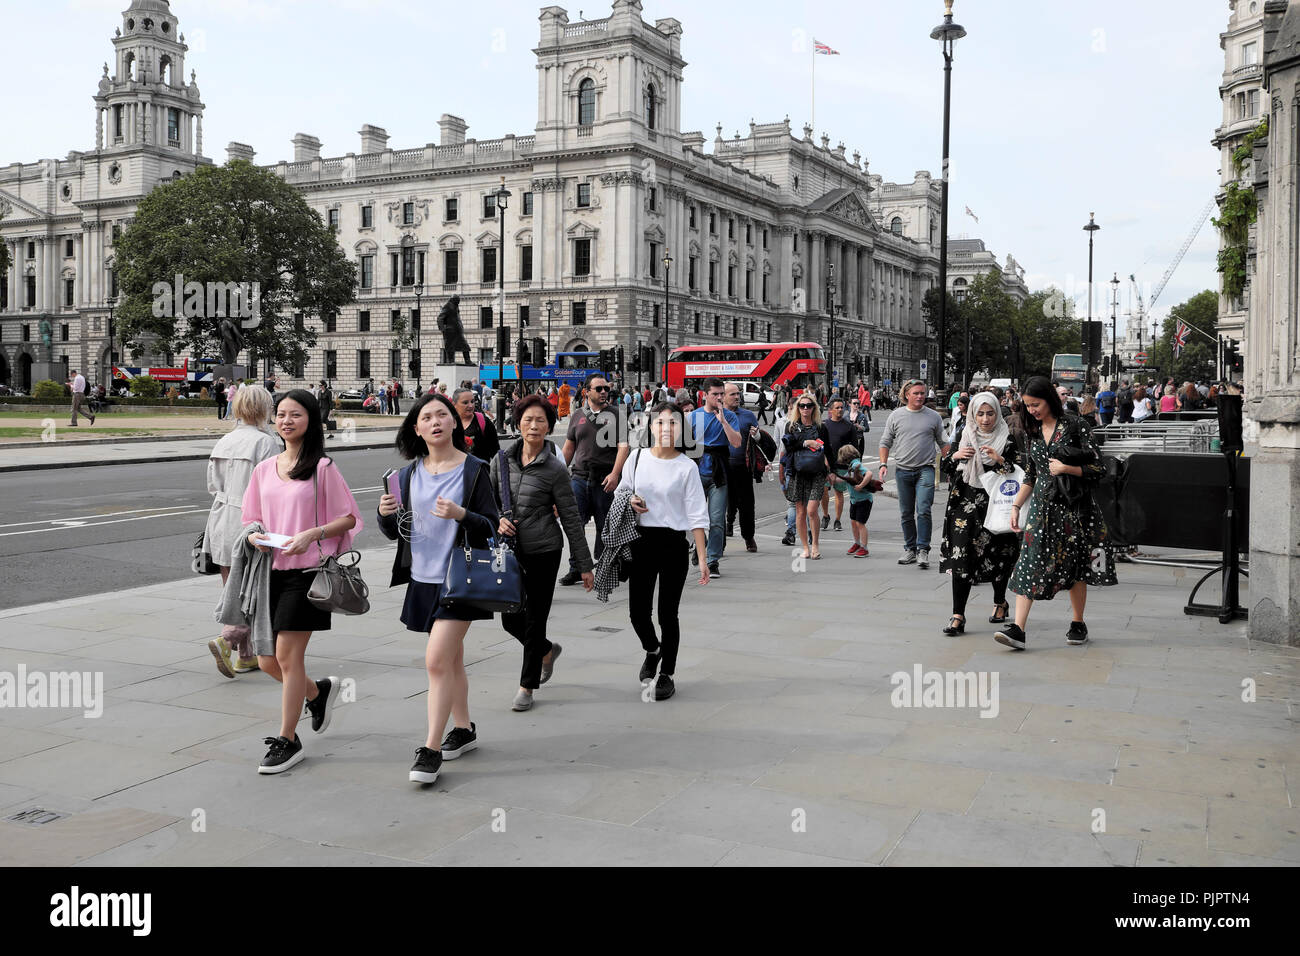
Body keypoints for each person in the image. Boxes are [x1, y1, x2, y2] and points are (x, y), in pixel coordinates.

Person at [235, 389, 362, 773]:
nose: (286, 420)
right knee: (267, 660)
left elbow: (350, 518)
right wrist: (255, 536)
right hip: (270, 573)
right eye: (281, 414)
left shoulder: (322, 468)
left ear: (310, 421)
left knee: (289, 657)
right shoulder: (263, 469)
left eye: (295, 414)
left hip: (308, 575)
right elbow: (250, 521)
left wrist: (313, 534)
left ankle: (288, 740)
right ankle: (317, 692)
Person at [377, 392, 499, 784]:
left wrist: (461, 513)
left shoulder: (475, 469)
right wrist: (385, 515)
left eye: (442, 415)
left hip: (460, 577)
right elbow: (398, 531)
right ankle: (463, 729)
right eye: (426, 417)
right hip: (423, 579)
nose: (435, 421)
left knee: (435, 662)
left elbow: (492, 525)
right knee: (452, 660)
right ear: (417, 429)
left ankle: (430, 749)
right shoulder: (407, 476)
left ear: (454, 423)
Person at [997, 376, 1117, 651]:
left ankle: (1078, 623)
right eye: (1027, 406)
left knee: (1077, 567)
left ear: (1049, 399)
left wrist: (1067, 469)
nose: (1032, 410)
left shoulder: (1076, 425)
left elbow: (1100, 468)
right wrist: (1016, 506)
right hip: (1042, 508)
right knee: (1029, 562)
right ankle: (1018, 629)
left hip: (1076, 508)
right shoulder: (1034, 430)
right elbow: (1032, 474)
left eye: (1035, 404)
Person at [492, 394, 594, 712]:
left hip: (544, 550)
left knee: (535, 619)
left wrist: (585, 564)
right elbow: (488, 503)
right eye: (527, 419)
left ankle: (527, 686)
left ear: (549, 426)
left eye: (540, 420)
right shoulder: (500, 461)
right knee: (510, 620)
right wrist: (498, 519)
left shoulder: (555, 469)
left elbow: (571, 517)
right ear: (518, 423)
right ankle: (546, 651)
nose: (533, 425)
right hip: (509, 553)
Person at [618, 402, 710, 701]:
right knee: (637, 613)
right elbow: (622, 492)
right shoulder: (636, 458)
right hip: (640, 541)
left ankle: (667, 674)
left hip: (673, 544)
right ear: (650, 426)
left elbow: (697, 515)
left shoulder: (687, 467)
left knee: (668, 613)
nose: (666, 429)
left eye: (673, 424)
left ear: (681, 429)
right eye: (660, 423)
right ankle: (653, 649)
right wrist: (630, 498)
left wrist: (704, 559)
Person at [204, 385, 280, 678]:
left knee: (232, 588)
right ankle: (229, 639)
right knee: (255, 590)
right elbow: (271, 490)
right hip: (250, 521)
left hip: (221, 518)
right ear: (265, 409)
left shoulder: (224, 441)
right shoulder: (265, 443)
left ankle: (246, 656)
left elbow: (212, 485)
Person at [938, 393, 1021, 636]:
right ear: (973, 414)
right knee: (961, 555)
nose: (985, 419)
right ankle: (958, 615)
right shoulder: (965, 435)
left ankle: (1000, 602)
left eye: (990, 413)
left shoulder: (1006, 439)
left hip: (996, 506)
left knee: (999, 556)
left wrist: (1000, 460)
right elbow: (945, 468)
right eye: (980, 413)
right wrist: (955, 456)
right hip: (964, 504)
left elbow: (1019, 473)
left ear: (997, 413)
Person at [560, 373, 630, 586]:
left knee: (605, 526)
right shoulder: (578, 415)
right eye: (599, 389)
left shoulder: (617, 414)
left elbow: (623, 447)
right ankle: (577, 568)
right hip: (580, 477)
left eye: (606, 389)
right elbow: (569, 447)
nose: (603, 392)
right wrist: (558, 474)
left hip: (605, 478)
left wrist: (615, 474)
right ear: (586, 392)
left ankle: (606, 566)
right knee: (575, 524)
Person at [877, 379, 950, 569]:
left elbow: (943, 443)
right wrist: (883, 464)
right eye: (916, 393)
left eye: (923, 393)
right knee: (906, 513)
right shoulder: (895, 416)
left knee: (924, 509)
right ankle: (910, 549)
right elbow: (885, 442)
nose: (920, 396)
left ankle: (923, 550)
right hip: (903, 470)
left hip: (925, 469)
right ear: (906, 395)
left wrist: (951, 464)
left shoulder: (933, 416)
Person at [687, 377, 742, 576]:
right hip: (697, 470)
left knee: (717, 519)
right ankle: (699, 548)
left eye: (721, 394)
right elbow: (683, 446)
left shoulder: (730, 416)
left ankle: (713, 560)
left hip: (720, 472)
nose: (719, 398)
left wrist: (724, 422)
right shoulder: (693, 417)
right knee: (696, 518)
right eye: (715, 394)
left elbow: (736, 443)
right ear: (705, 395)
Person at [782, 392, 829, 560]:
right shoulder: (791, 426)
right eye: (802, 406)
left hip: (817, 472)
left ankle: (815, 544)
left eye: (809, 406)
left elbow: (828, 449)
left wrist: (831, 471)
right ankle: (805, 548)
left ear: (814, 408)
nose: (805, 409)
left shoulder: (821, 427)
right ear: (798, 408)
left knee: (811, 510)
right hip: (798, 472)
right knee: (800, 512)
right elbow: (789, 447)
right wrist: (806, 443)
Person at [722, 382, 761, 553]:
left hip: (743, 467)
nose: (737, 397)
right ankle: (721, 537)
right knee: (721, 504)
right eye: (733, 394)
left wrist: (757, 436)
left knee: (746, 503)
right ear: (722, 397)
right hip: (721, 467)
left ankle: (748, 536)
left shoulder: (747, 416)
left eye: (738, 394)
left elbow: (759, 441)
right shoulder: (716, 415)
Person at [820, 398, 857, 533]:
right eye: (837, 408)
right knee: (823, 491)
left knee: (839, 492)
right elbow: (820, 446)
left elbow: (854, 449)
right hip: (826, 465)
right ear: (830, 410)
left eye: (842, 407)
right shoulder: (824, 425)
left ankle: (837, 519)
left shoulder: (849, 426)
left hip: (842, 465)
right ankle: (825, 515)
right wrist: (824, 461)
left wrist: (854, 467)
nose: (840, 410)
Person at [830, 444, 874, 556]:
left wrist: (861, 485)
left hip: (864, 500)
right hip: (855, 500)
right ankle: (857, 543)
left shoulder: (856, 465)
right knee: (854, 522)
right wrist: (834, 479)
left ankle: (864, 548)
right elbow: (845, 479)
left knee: (860, 523)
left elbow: (869, 473)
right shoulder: (851, 466)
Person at [453, 386, 500, 463]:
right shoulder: (448, 424)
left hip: (480, 472)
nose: (471, 406)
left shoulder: (484, 422)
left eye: (472, 401)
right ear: (454, 405)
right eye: (465, 402)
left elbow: (495, 452)